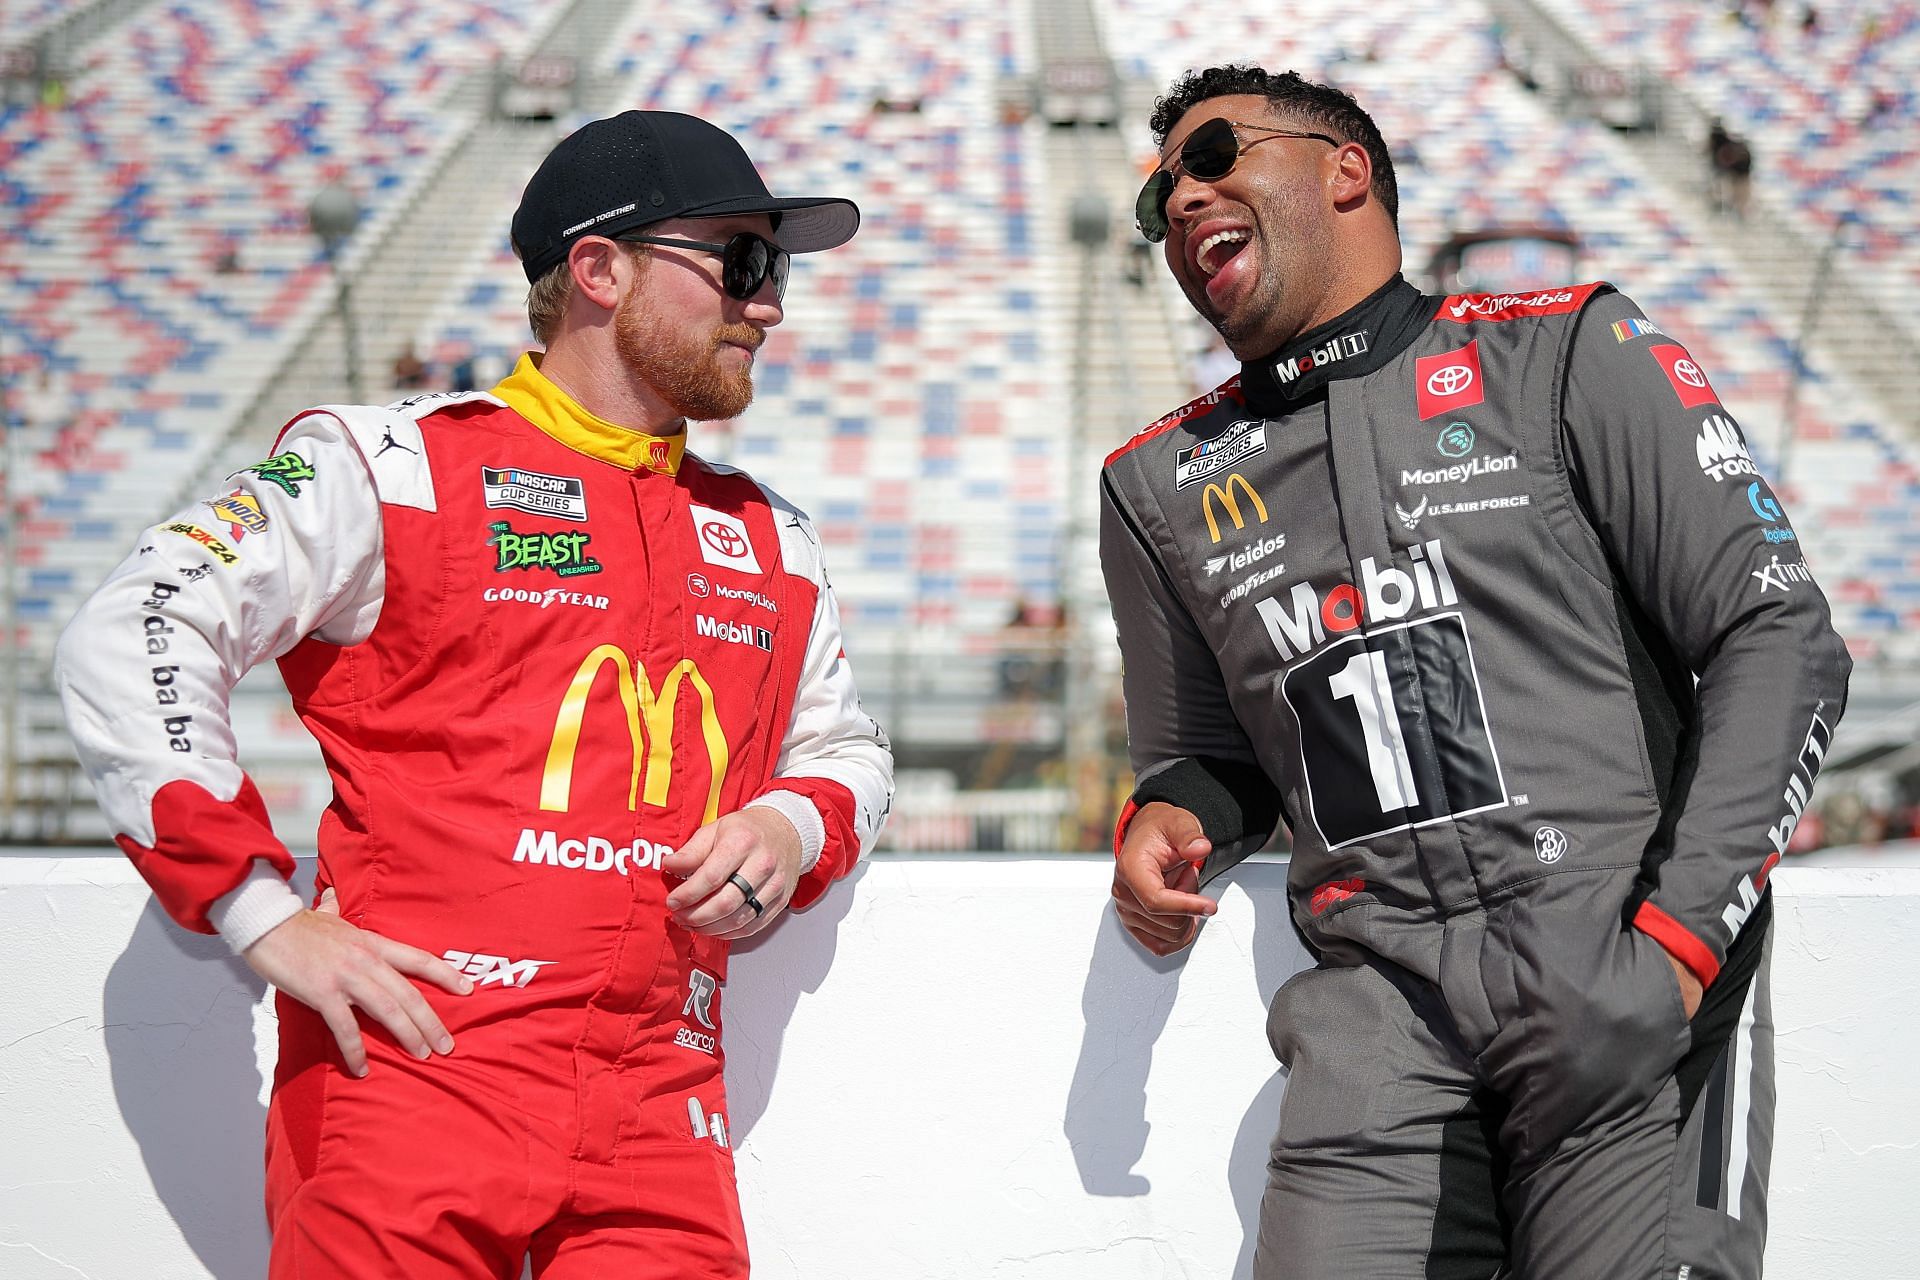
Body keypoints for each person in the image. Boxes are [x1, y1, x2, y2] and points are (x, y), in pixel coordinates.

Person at [58, 109, 894, 1278]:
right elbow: (135, 625)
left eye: (778, 269)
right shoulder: (389, 461)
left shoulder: (772, 535)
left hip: (662, 1113)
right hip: (410, 1088)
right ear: (599, 269)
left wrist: (788, 818)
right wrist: (258, 915)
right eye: (742, 263)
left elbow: (850, 750)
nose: (771, 304)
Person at [1101, 65, 1849, 1279]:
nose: (1181, 198)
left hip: (1623, 982)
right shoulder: (1155, 485)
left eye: (1215, 153)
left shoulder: (1567, 351)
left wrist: (1671, 948)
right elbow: (1210, 760)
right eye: (1161, 194)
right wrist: (1168, 815)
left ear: (1348, 170)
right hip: (1377, 1034)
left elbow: (1780, 638)